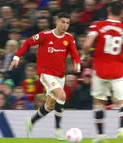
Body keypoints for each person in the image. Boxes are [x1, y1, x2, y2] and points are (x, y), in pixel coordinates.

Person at [8, 12, 81, 140]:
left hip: (60, 75)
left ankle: (31, 122)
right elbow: (27, 43)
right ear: (57, 22)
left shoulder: (68, 38)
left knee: (50, 105)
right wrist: (16, 57)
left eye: (67, 23)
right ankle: (58, 129)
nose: (65, 25)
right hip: (45, 73)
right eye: (62, 22)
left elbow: (74, 53)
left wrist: (77, 63)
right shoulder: (45, 36)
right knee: (62, 95)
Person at [83, 1, 123, 143]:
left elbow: (87, 44)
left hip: (100, 70)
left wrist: (85, 54)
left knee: (98, 103)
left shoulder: (97, 25)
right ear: (122, 12)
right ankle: (122, 129)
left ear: (108, 10)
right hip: (118, 70)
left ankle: (101, 136)